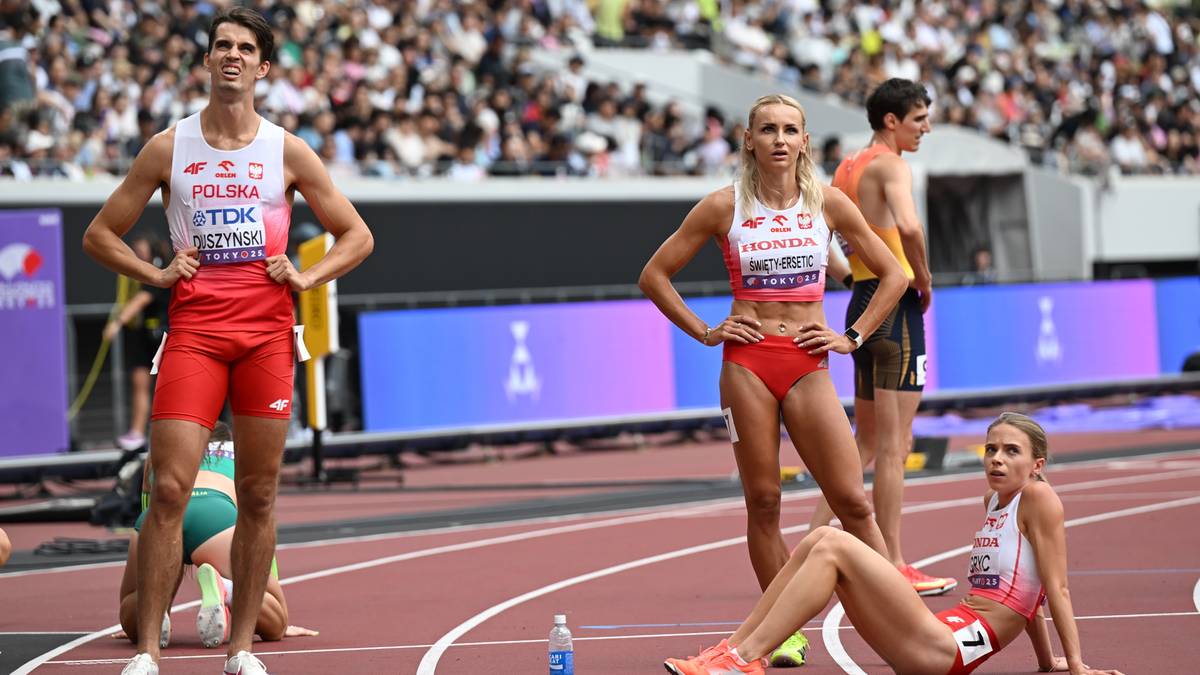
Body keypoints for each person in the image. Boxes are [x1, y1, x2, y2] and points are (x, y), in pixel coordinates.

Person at [82, 8, 374, 675]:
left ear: (264, 67)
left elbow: (358, 235)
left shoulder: (286, 150)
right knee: (168, 489)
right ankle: (148, 652)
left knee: (260, 492)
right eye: (222, 46)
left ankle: (241, 649)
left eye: (245, 48)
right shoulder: (169, 147)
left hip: (266, 337)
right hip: (195, 334)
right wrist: (157, 274)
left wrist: (307, 276)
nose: (232, 55)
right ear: (208, 60)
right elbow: (99, 234)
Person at [639, 93, 907, 667]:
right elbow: (654, 276)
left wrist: (852, 336)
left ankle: (905, 618)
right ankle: (783, 634)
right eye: (767, 130)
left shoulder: (828, 202)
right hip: (747, 364)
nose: (779, 140)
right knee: (763, 501)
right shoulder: (722, 206)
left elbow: (893, 275)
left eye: (790, 130)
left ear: (805, 141)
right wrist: (706, 331)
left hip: (808, 362)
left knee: (853, 503)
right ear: (749, 140)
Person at [664, 413, 1125, 675]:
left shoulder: (1040, 499)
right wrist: (1046, 663)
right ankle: (730, 652)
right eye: (991, 449)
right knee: (821, 539)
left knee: (831, 541)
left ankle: (744, 659)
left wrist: (1076, 666)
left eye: (1011, 451)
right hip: (932, 635)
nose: (996, 459)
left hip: (942, 650)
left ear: (1038, 465)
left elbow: (1055, 588)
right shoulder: (993, 502)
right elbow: (1029, 598)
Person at [810, 78, 956, 596]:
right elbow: (910, 228)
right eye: (919, 119)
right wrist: (924, 278)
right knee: (895, 447)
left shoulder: (846, 168)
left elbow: (824, 237)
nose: (926, 128)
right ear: (891, 121)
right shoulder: (892, 165)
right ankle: (893, 562)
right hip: (896, 307)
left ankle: (808, 544)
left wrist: (851, 278)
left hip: (861, 300)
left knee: (867, 442)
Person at [116, 423, 317, 648]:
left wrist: (137, 617)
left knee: (133, 598)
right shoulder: (238, 452)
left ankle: (153, 612)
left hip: (159, 520)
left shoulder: (159, 452)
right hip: (215, 514)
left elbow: (147, 508)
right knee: (276, 623)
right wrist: (269, 592)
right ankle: (226, 589)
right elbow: (257, 525)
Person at [104, 233, 170, 451]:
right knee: (139, 383)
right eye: (136, 252)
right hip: (143, 336)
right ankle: (137, 433)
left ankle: (168, 433)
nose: (138, 256)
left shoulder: (160, 273)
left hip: (163, 336)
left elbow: (141, 300)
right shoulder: (138, 275)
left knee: (167, 387)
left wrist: (117, 322)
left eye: (142, 252)